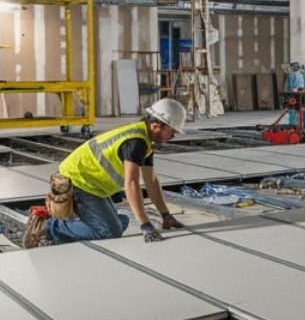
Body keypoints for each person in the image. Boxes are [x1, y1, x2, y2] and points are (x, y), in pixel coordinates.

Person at [24, 99, 188, 247]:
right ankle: (48, 227)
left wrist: (166, 215)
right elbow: (131, 184)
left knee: (120, 223)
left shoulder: (144, 140)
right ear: (156, 126)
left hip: (93, 186)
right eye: (172, 131)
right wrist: (145, 225)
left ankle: (85, 223)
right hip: (78, 181)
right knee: (109, 232)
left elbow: (151, 181)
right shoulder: (136, 142)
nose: (173, 136)